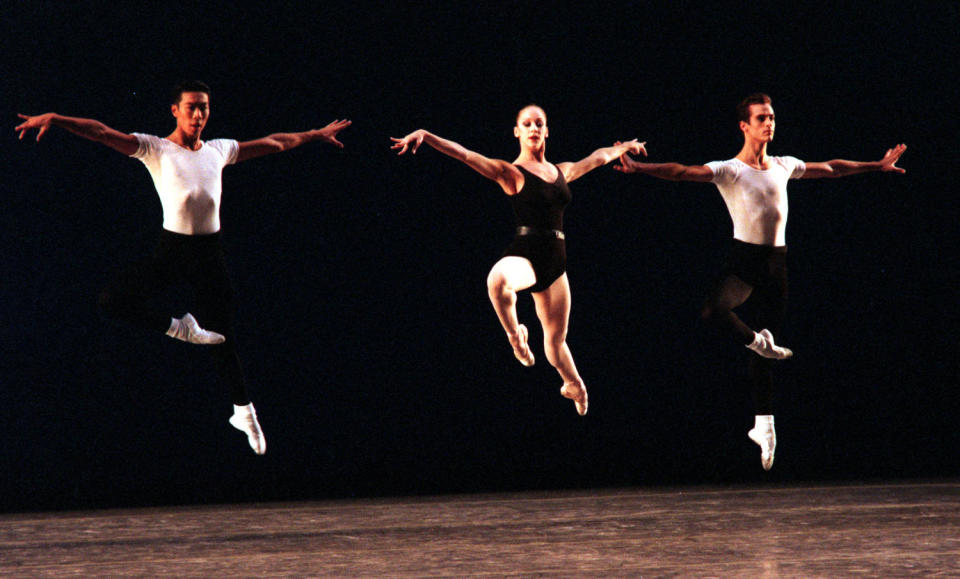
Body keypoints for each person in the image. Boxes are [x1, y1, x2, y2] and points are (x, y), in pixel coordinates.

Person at [16, 80, 351, 455]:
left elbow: (276, 142)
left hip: (210, 254)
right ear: (175, 110)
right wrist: (57, 119)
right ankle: (180, 329)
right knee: (112, 299)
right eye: (191, 107)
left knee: (224, 337)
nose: (198, 114)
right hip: (172, 251)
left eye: (204, 107)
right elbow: (101, 132)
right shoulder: (155, 149)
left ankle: (244, 411)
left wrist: (315, 135)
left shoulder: (220, 150)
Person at [615, 93, 906, 469]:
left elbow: (833, 168)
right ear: (745, 126)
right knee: (714, 312)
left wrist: (877, 165)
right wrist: (641, 169)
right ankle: (757, 341)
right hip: (745, 262)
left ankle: (765, 426)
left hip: (776, 264)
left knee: (764, 358)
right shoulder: (730, 170)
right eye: (761, 118)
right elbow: (683, 171)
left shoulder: (784, 165)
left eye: (772, 117)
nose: (769, 123)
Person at [391, 105, 645, 416]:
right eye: (527, 124)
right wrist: (427, 136)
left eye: (540, 123)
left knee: (555, 346)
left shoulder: (561, 171)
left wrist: (626, 147)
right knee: (497, 281)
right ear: (517, 132)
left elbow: (597, 158)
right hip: (527, 255)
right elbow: (466, 155)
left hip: (557, 265)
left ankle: (575, 385)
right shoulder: (510, 173)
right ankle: (517, 338)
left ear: (547, 130)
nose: (534, 128)